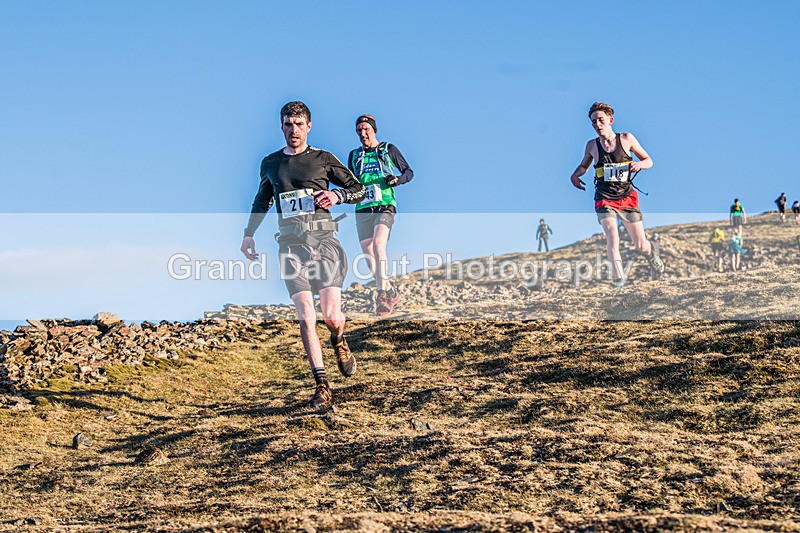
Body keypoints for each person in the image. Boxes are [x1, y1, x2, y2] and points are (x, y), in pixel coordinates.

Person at [240, 101, 365, 409]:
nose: (292, 130)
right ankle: (321, 385)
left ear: (309, 126)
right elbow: (262, 200)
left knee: (332, 316)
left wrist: (337, 195)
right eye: (287, 124)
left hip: (324, 241)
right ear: (281, 127)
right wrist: (248, 234)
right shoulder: (271, 163)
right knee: (306, 314)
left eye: (298, 124)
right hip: (291, 245)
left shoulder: (323, 159)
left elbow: (359, 189)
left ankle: (338, 339)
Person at [569, 102, 664, 288]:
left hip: (627, 197)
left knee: (640, 245)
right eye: (593, 122)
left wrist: (639, 165)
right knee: (612, 235)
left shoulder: (626, 139)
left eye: (601, 120)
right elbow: (583, 166)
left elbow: (648, 160)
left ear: (611, 120)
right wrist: (574, 175)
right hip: (604, 197)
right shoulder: (592, 146)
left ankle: (651, 255)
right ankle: (619, 281)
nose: (597, 125)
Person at [348, 114, 414, 317]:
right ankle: (391, 290)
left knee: (378, 245)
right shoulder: (353, 155)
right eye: (359, 130)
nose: (362, 133)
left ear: (374, 130)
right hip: (362, 207)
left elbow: (409, 172)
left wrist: (397, 180)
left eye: (366, 129)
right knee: (368, 255)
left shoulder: (388, 149)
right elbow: (350, 181)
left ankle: (382, 294)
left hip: (385, 204)